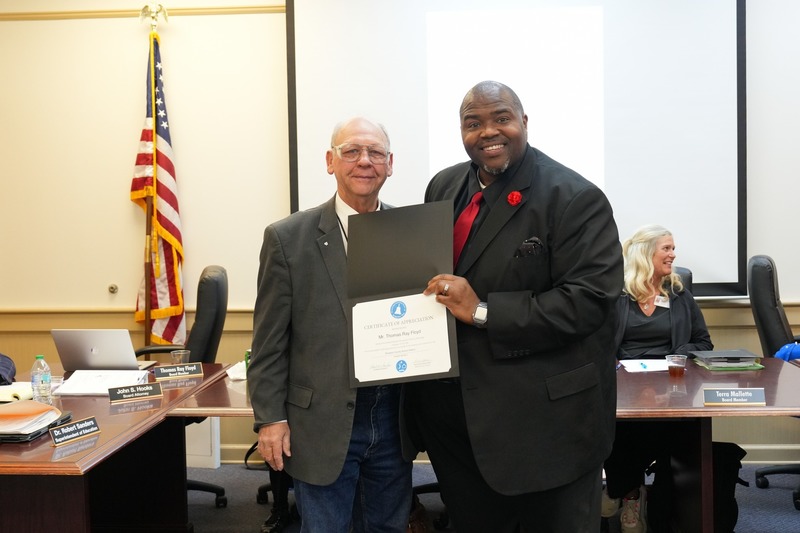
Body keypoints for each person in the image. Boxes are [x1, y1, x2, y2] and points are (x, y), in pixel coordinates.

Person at [404, 80, 624, 532]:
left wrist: (483, 310)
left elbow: (589, 302)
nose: (488, 132)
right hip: (459, 425)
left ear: (524, 122)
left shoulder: (574, 197)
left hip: (546, 430)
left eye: (500, 118)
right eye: (473, 123)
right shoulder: (444, 186)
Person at [247, 117, 412, 533]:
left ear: (390, 164)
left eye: (375, 153)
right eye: (351, 151)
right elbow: (269, 343)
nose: (364, 161)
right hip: (321, 420)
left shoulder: (410, 233)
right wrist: (269, 419)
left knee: (388, 527)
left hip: (393, 416)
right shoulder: (287, 238)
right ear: (329, 161)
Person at [601, 224, 713, 533]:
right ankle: (630, 494)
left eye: (673, 248)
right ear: (645, 253)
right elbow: (597, 344)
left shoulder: (678, 294)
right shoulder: (617, 295)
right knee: (622, 426)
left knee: (660, 429)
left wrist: (676, 356)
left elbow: (704, 344)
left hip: (671, 387)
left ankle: (627, 493)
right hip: (623, 384)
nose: (673, 254)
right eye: (666, 248)